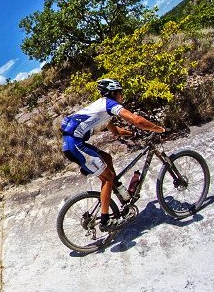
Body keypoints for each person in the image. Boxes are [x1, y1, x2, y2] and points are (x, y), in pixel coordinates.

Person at [60, 78, 165, 231]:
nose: (122, 96)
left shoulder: (102, 108)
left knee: (107, 158)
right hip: (76, 145)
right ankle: (105, 222)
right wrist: (158, 128)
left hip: (72, 144)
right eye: (120, 93)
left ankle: (121, 193)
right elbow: (135, 119)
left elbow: (115, 132)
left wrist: (133, 133)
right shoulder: (110, 104)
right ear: (114, 93)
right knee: (107, 177)